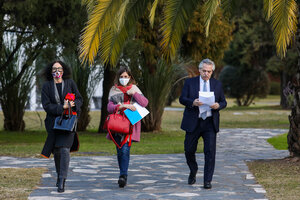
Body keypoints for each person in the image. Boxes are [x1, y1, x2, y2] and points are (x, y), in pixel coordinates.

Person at [179, 58, 227, 189]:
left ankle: (207, 181)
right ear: (199, 70)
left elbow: (224, 101)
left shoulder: (217, 84)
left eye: (209, 71)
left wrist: (218, 105)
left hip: (210, 123)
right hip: (193, 122)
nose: (206, 74)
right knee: (189, 150)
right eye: (204, 71)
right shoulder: (190, 82)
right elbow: (182, 99)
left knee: (210, 153)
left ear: (212, 72)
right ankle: (193, 170)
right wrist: (192, 102)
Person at [40, 60, 83, 193]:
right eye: (54, 69)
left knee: (65, 149)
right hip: (53, 124)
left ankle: (62, 180)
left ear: (63, 71)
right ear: (50, 71)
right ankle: (59, 176)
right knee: (57, 151)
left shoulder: (70, 83)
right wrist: (61, 107)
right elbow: (46, 106)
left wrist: (71, 105)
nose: (57, 71)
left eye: (59, 69)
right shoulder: (46, 86)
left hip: (68, 122)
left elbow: (79, 99)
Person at [106, 67, 148, 188]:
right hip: (117, 124)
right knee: (120, 150)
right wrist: (122, 106)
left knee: (125, 149)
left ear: (130, 77)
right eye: (122, 77)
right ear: (118, 77)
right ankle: (122, 174)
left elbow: (144, 103)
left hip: (130, 124)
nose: (124, 79)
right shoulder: (114, 89)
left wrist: (133, 94)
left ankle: (123, 175)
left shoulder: (134, 88)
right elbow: (109, 107)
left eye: (126, 77)